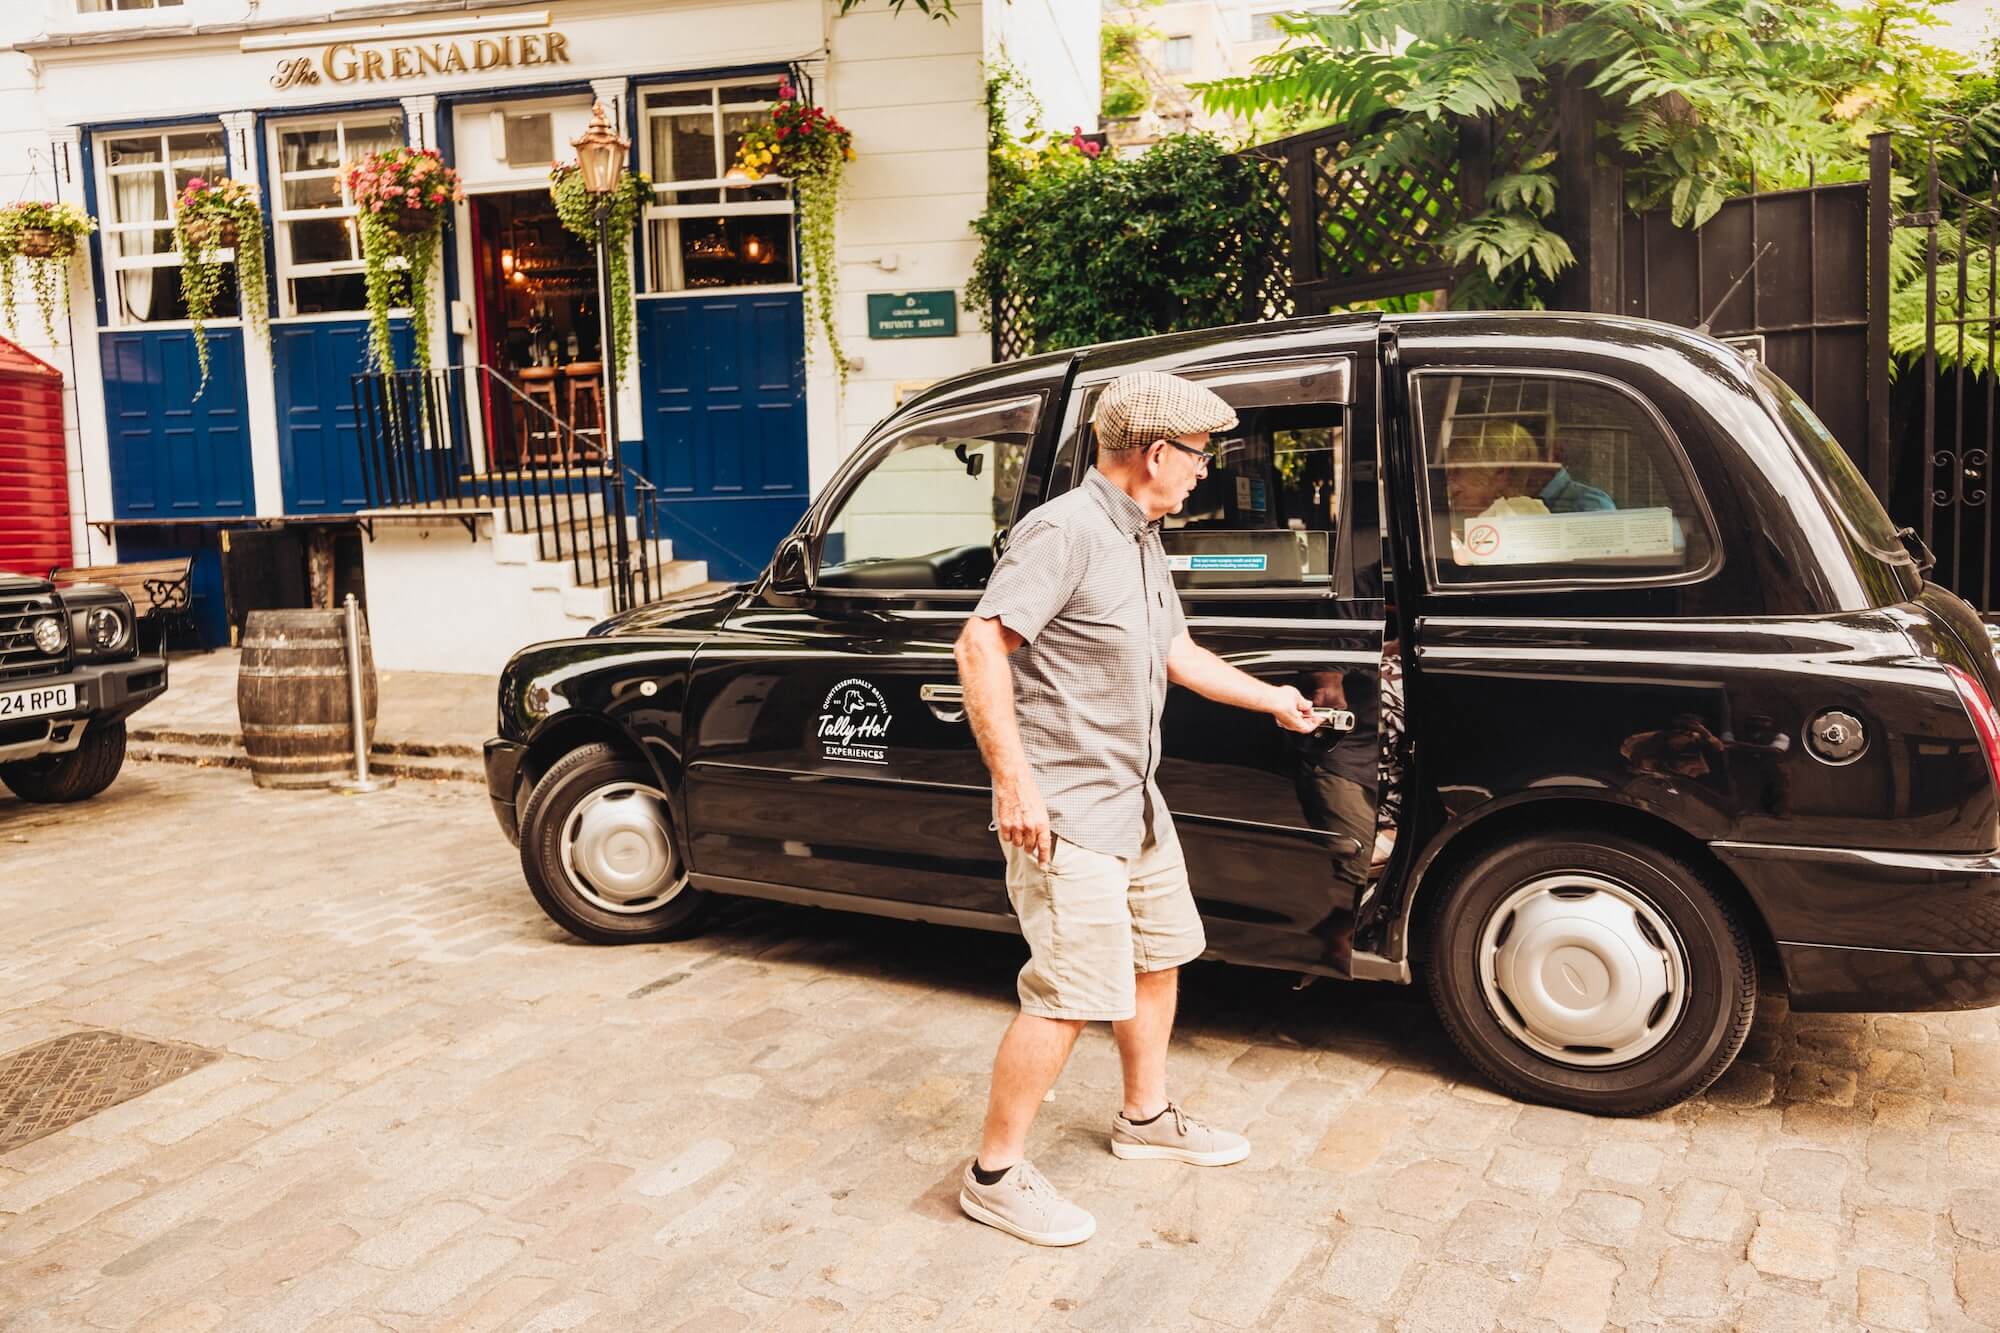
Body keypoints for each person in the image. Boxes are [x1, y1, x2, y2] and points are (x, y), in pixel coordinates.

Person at [952, 370, 1320, 1247]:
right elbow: (979, 645)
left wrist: (1270, 695)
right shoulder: (1064, 532)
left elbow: (1177, 650)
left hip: (1136, 803)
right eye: (1199, 457)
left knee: (1158, 958)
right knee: (1068, 994)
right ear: (1156, 453)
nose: (1205, 472)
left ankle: (1145, 1118)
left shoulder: (1143, 535)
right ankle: (993, 1173)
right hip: (1069, 812)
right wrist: (1014, 781)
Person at [1443, 420, 1615, 520]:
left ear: (1500, 472)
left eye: (1458, 470)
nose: (1450, 484)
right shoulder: (1496, 514)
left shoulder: (1586, 505)